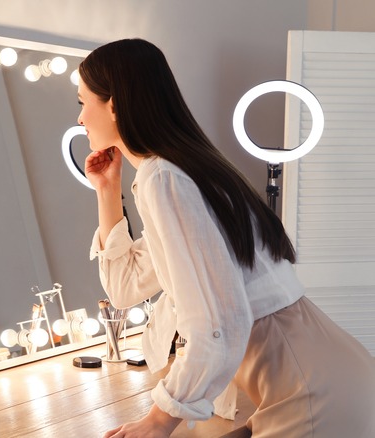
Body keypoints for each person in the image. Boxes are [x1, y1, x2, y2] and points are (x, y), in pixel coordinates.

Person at [80, 39, 375, 437]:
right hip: (317, 374)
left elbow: (219, 321)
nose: (81, 118)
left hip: (306, 387)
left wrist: (159, 420)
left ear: (113, 104)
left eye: (82, 102)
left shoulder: (165, 178)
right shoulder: (181, 172)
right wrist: (106, 192)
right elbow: (125, 288)